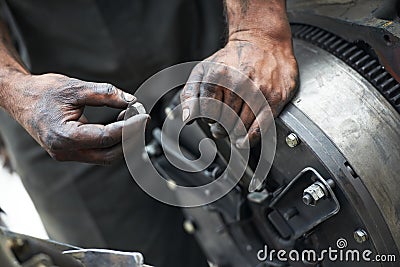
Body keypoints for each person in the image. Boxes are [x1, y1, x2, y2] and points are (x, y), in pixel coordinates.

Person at [0, 0, 298, 266]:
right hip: (42, 59)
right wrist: (12, 88)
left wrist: (258, 31)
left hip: (202, 16)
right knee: (112, 252)